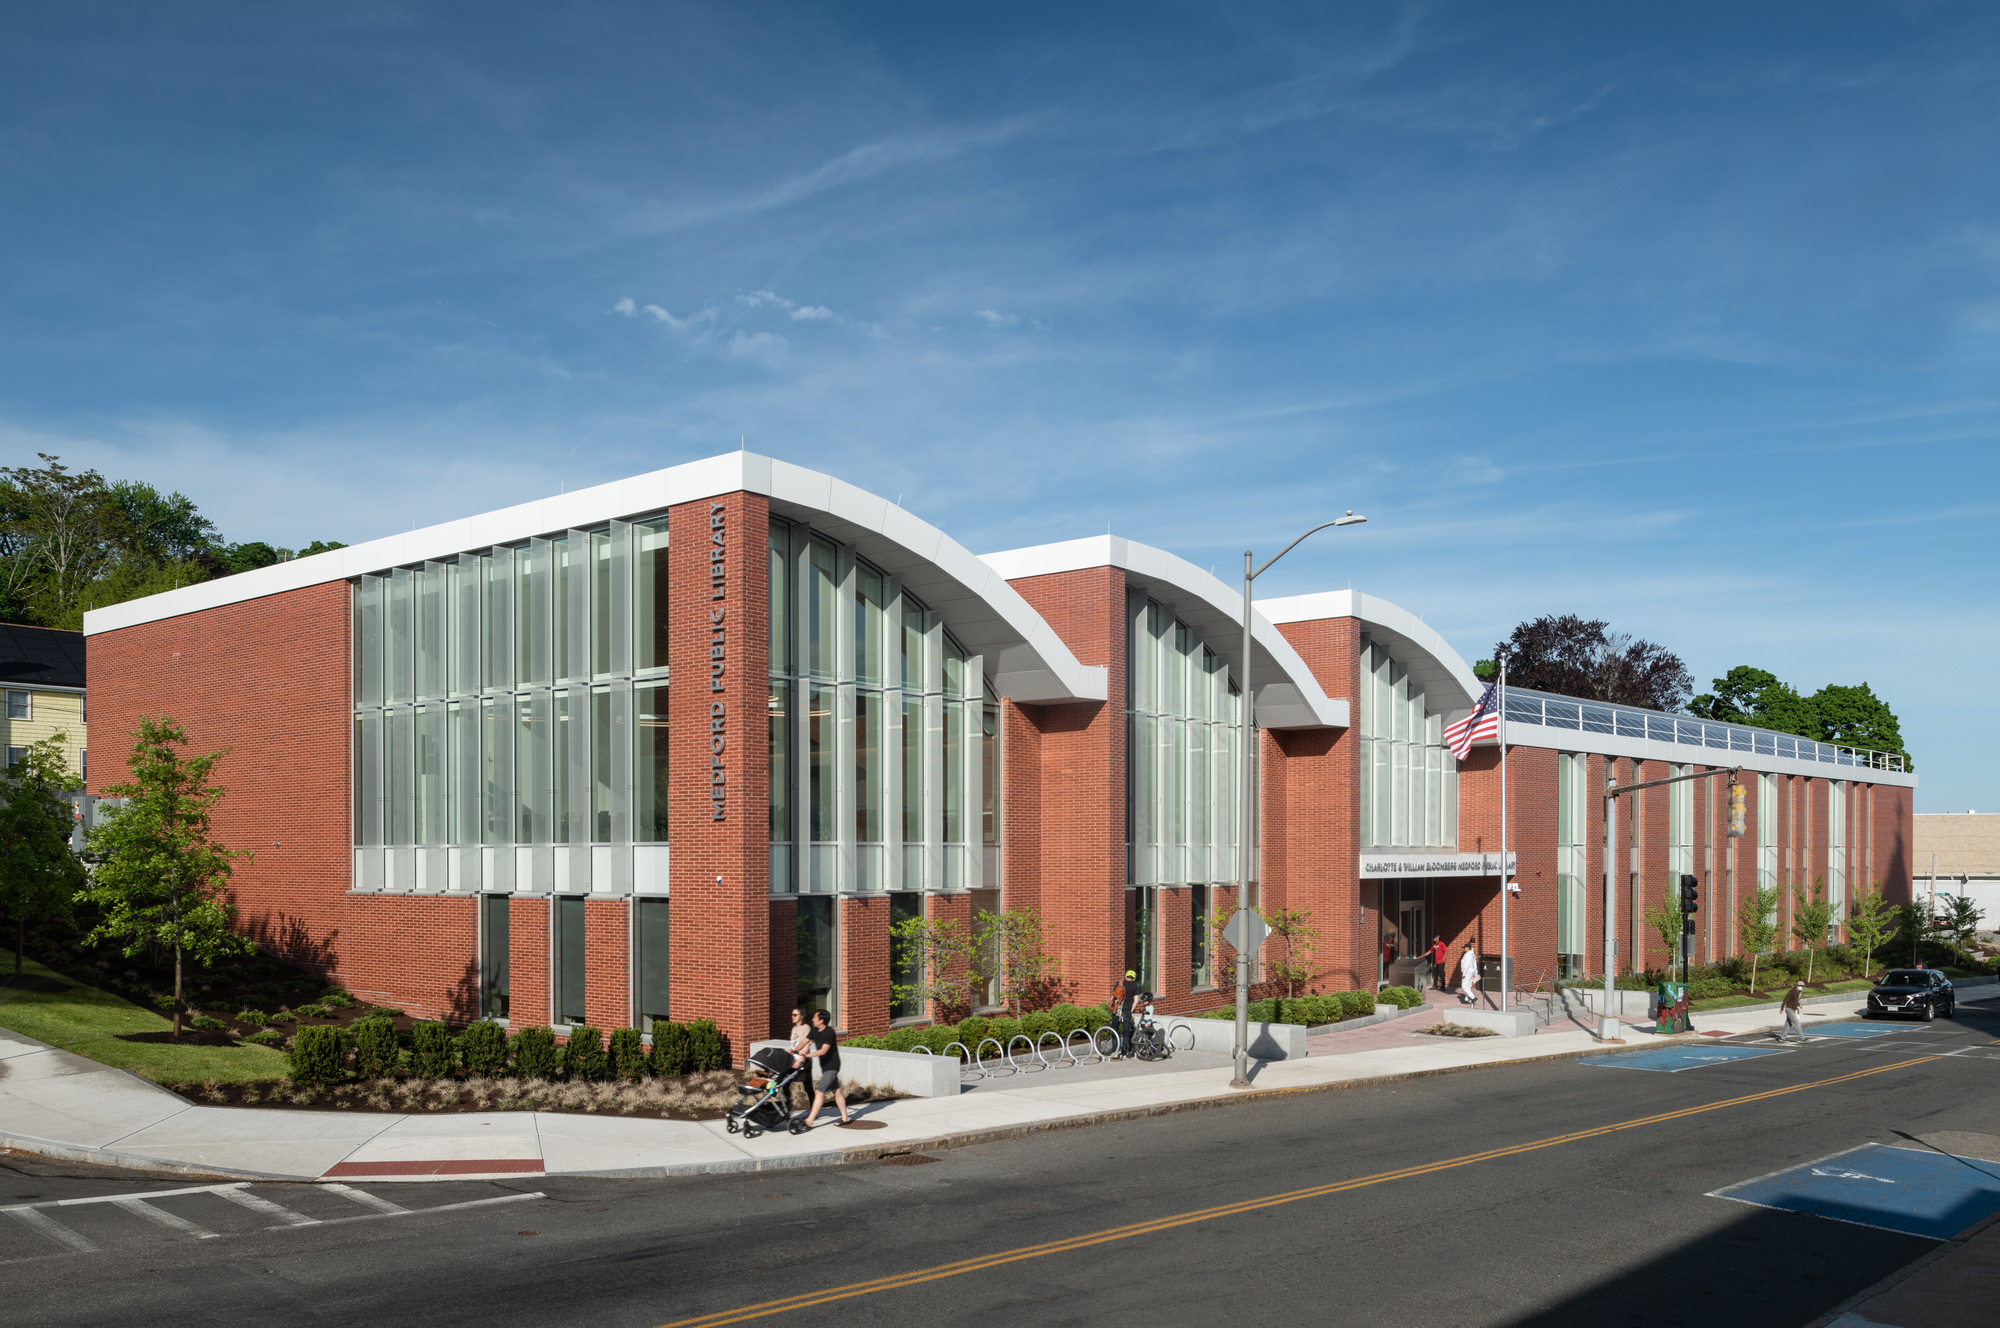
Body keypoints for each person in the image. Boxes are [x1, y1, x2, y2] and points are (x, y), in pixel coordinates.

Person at [802, 1009, 850, 1128]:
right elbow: (804, 1041)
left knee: (819, 1092)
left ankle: (810, 1120)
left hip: (832, 1066)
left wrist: (807, 1055)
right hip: (825, 1066)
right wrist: (794, 1050)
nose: (812, 1019)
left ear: (821, 1020)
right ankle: (845, 1117)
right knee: (836, 1091)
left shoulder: (829, 1032)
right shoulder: (814, 1030)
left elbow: (823, 1050)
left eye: (815, 1018)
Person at [1111, 969, 1140, 1058]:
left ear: (1125, 976)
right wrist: (1131, 1010)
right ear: (1134, 978)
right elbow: (1136, 1001)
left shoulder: (1119, 983)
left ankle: (1115, 1052)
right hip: (1126, 1011)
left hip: (1116, 1010)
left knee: (1115, 1030)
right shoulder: (1135, 986)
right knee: (1126, 1032)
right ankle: (1124, 1054)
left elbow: (1113, 996)